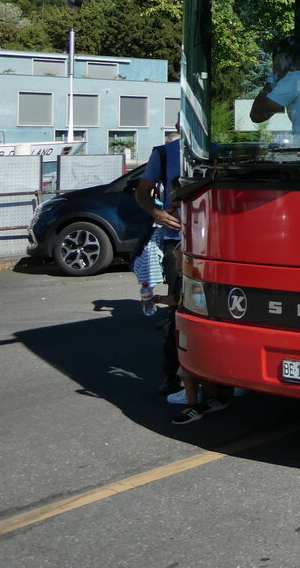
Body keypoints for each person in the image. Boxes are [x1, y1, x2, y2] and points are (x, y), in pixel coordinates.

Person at [134, 123, 182, 396]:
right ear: (179, 124)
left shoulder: (216, 150)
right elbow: (142, 191)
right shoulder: (164, 153)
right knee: (177, 309)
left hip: (216, 240)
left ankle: (219, 379)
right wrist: (156, 212)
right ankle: (172, 377)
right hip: (175, 241)